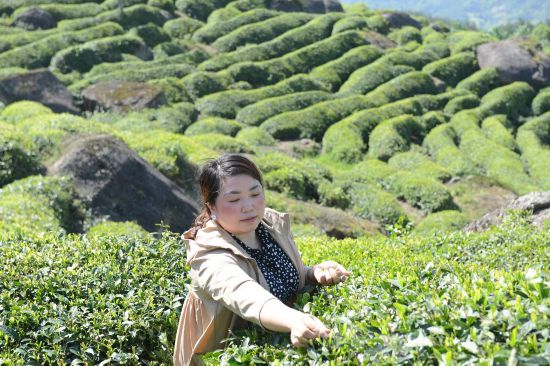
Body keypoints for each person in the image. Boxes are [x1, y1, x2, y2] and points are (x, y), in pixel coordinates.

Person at [173, 153, 351, 366]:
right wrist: (293, 319)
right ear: (211, 206)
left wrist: (313, 273)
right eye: (234, 199)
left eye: (255, 193)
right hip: (224, 358)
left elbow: (276, 275)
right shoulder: (208, 253)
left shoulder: (269, 226)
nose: (248, 206)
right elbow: (244, 293)